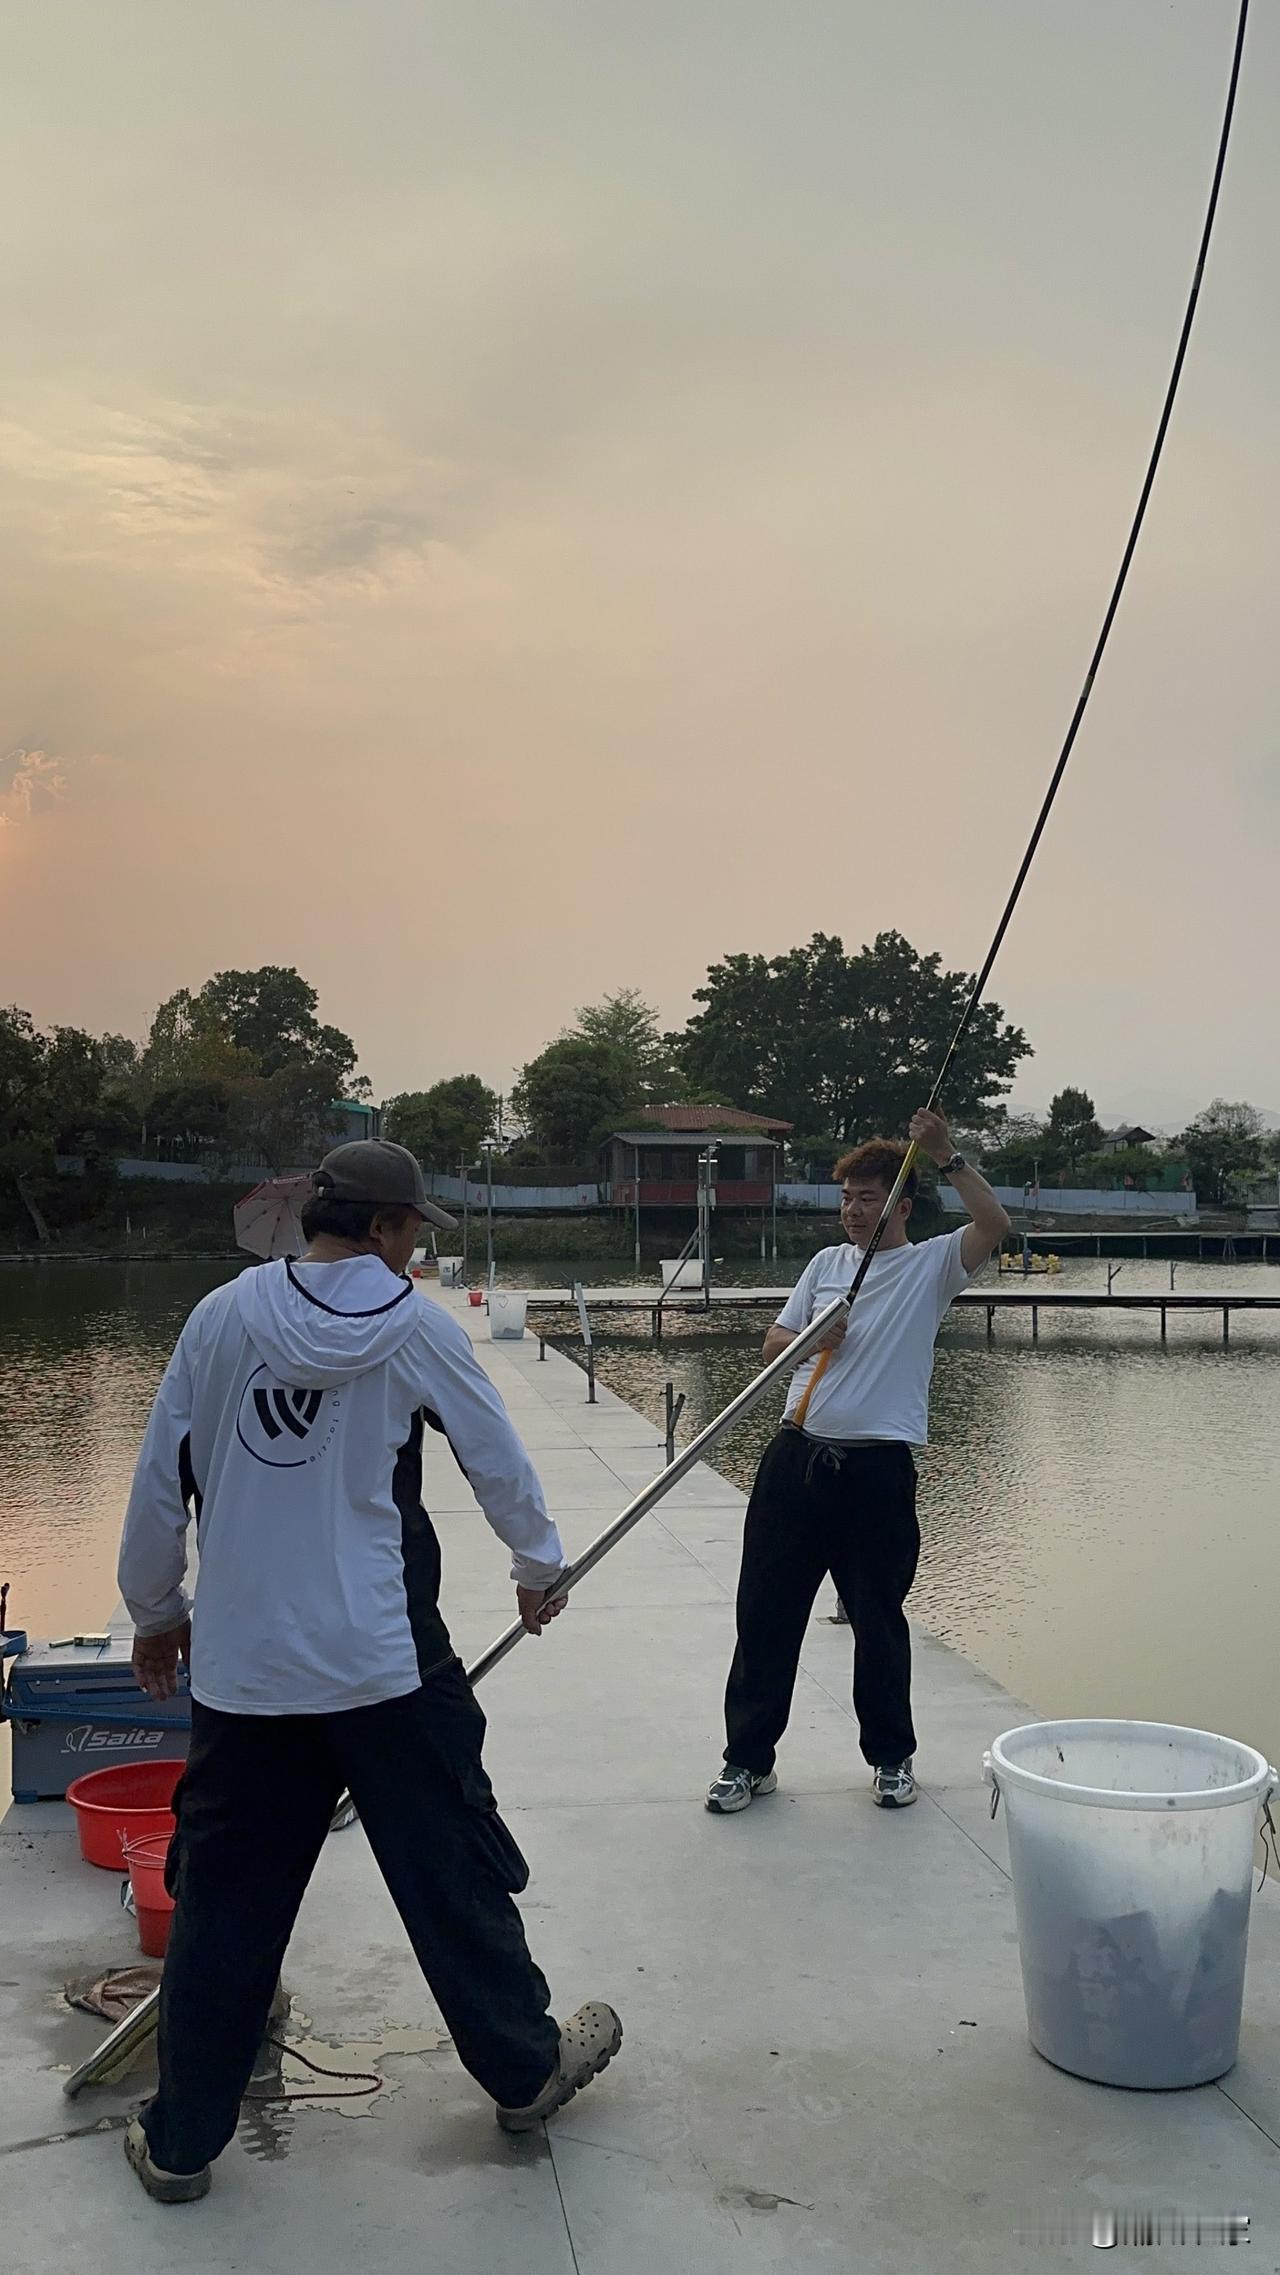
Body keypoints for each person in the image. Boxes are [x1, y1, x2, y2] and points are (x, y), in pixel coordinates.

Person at [117, 1138, 621, 2204]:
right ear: (388, 1228)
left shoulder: (218, 1318)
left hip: (246, 1676)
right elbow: (493, 1452)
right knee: (450, 1874)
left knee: (223, 1906)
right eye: (410, 1234)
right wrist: (538, 1566)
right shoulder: (411, 1329)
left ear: (314, 1217)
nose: (411, 1257)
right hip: (383, 1666)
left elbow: (163, 1474)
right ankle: (525, 2071)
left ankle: (180, 2142)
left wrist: (156, 1611)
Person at [705, 1109, 1009, 1817]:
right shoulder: (825, 1265)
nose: (851, 1209)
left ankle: (892, 1758)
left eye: (866, 1197)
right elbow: (773, 1340)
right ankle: (747, 1760)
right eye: (845, 1197)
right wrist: (809, 1337)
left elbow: (994, 1226)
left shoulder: (932, 1265)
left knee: (879, 1619)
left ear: (900, 1205)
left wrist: (946, 1155)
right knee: (765, 1615)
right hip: (796, 1459)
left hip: (876, 1471)